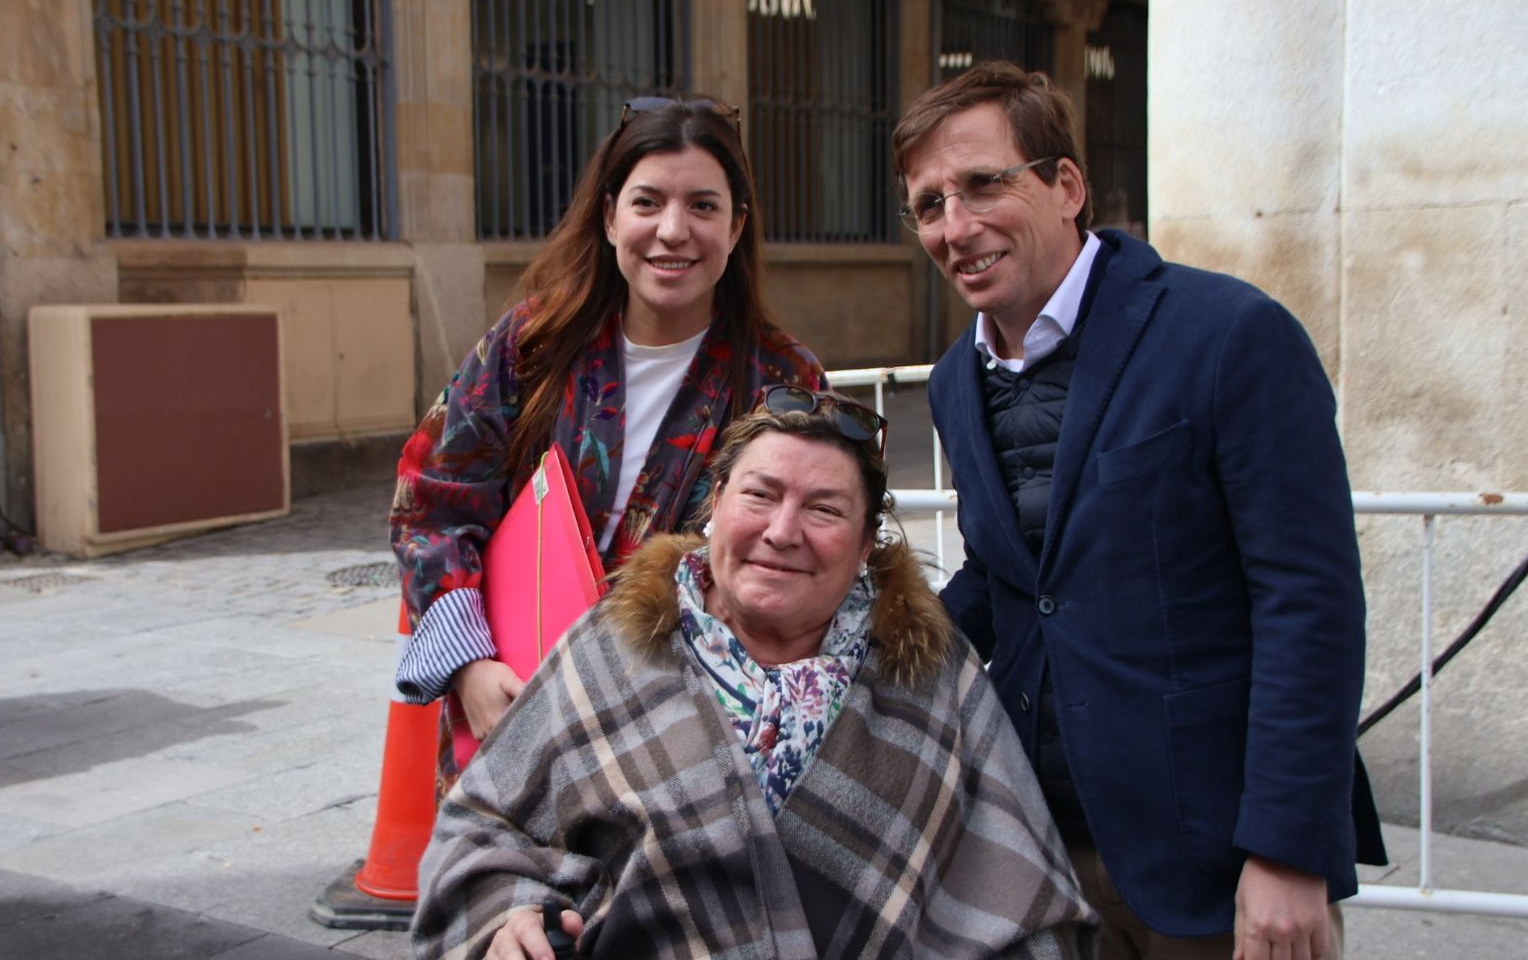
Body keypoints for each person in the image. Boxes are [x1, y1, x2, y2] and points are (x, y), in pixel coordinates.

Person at [892, 60, 1385, 960]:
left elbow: (1307, 600)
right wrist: (851, 643)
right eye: (929, 204)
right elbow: (1010, 576)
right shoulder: (956, 380)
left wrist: (1286, 847)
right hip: (1037, 856)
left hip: (1217, 868)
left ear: (1066, 184)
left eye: (983, 184)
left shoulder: (1229, 333)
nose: (956, 227)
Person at [411, 390, 1098, 959]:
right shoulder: (610, 648)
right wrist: (510, 915)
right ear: (714, 507)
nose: (782, 529)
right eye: (760, 495)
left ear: (865, 545)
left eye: (824, 508)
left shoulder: (933, 674)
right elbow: (478, 830)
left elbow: (1030, 909)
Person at [391, 97, 824, 789]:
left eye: (704, 207)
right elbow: (430, 505)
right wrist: (469, 666)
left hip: (688, 755)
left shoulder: (782, 381)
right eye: (647, 202)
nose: (673, 231)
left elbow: (807, 564)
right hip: (514, 723)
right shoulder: (532, 346)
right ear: (609, 214)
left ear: (737, 225)